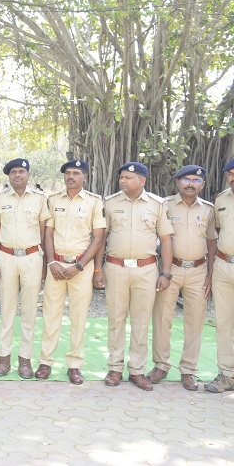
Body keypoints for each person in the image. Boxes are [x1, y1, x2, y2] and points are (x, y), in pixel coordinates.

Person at [94, 162, 173, 391]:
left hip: (146, 270)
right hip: (116, 268)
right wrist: (98, 269)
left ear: (142, 181)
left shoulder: (157, 205)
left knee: (140, 322)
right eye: (122, 177)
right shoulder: (110, 203)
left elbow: (166, 240)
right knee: (116, 320)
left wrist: (165, 273)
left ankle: (137, 370)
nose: (123, 181)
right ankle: (115, 368)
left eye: (129, 177)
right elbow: (102, 238)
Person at [146, 165, 216, 392]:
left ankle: (188, 370)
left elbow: (212, 242)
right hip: (170, 269)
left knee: (195, 321)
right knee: (162, 318)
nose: (190, 184)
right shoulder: (164, 205)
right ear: (177, 182)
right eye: (186, 179)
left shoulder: (208, 209)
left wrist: (211, 274)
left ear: (202, 185)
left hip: (198, 270)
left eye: (196, 180)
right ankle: (161, 364)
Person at [36, 159, 105, 385]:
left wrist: (80, 266)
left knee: (78, 317)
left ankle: (75, 365)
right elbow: (47, 234)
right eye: (67, 173)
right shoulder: (53, 200)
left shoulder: (94, 202)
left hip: (80, 268)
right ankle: (46, 362)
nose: (71, 176)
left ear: (84, 176)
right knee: (51, 316)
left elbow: (98, 238)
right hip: (56, 266)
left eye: (76, 173)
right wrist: (51, 262)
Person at [0, 158, 48, 378]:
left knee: (30, 310)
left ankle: (25, 359)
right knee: (7, 309)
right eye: (13, 172)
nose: (17, 175)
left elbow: (44, 232)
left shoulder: (40, 200)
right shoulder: (0, 199)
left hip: (32, 257)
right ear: (9, 176)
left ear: (28, 175)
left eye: (21, 171)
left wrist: (45, 262)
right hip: (6, 257)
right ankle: (4, 357)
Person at [208, 158, 234, 392]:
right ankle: (227, 374)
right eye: (230, 173)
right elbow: (215, 233)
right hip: (224, 266)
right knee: (224, 323)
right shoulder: (221, 200)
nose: (233, 177)